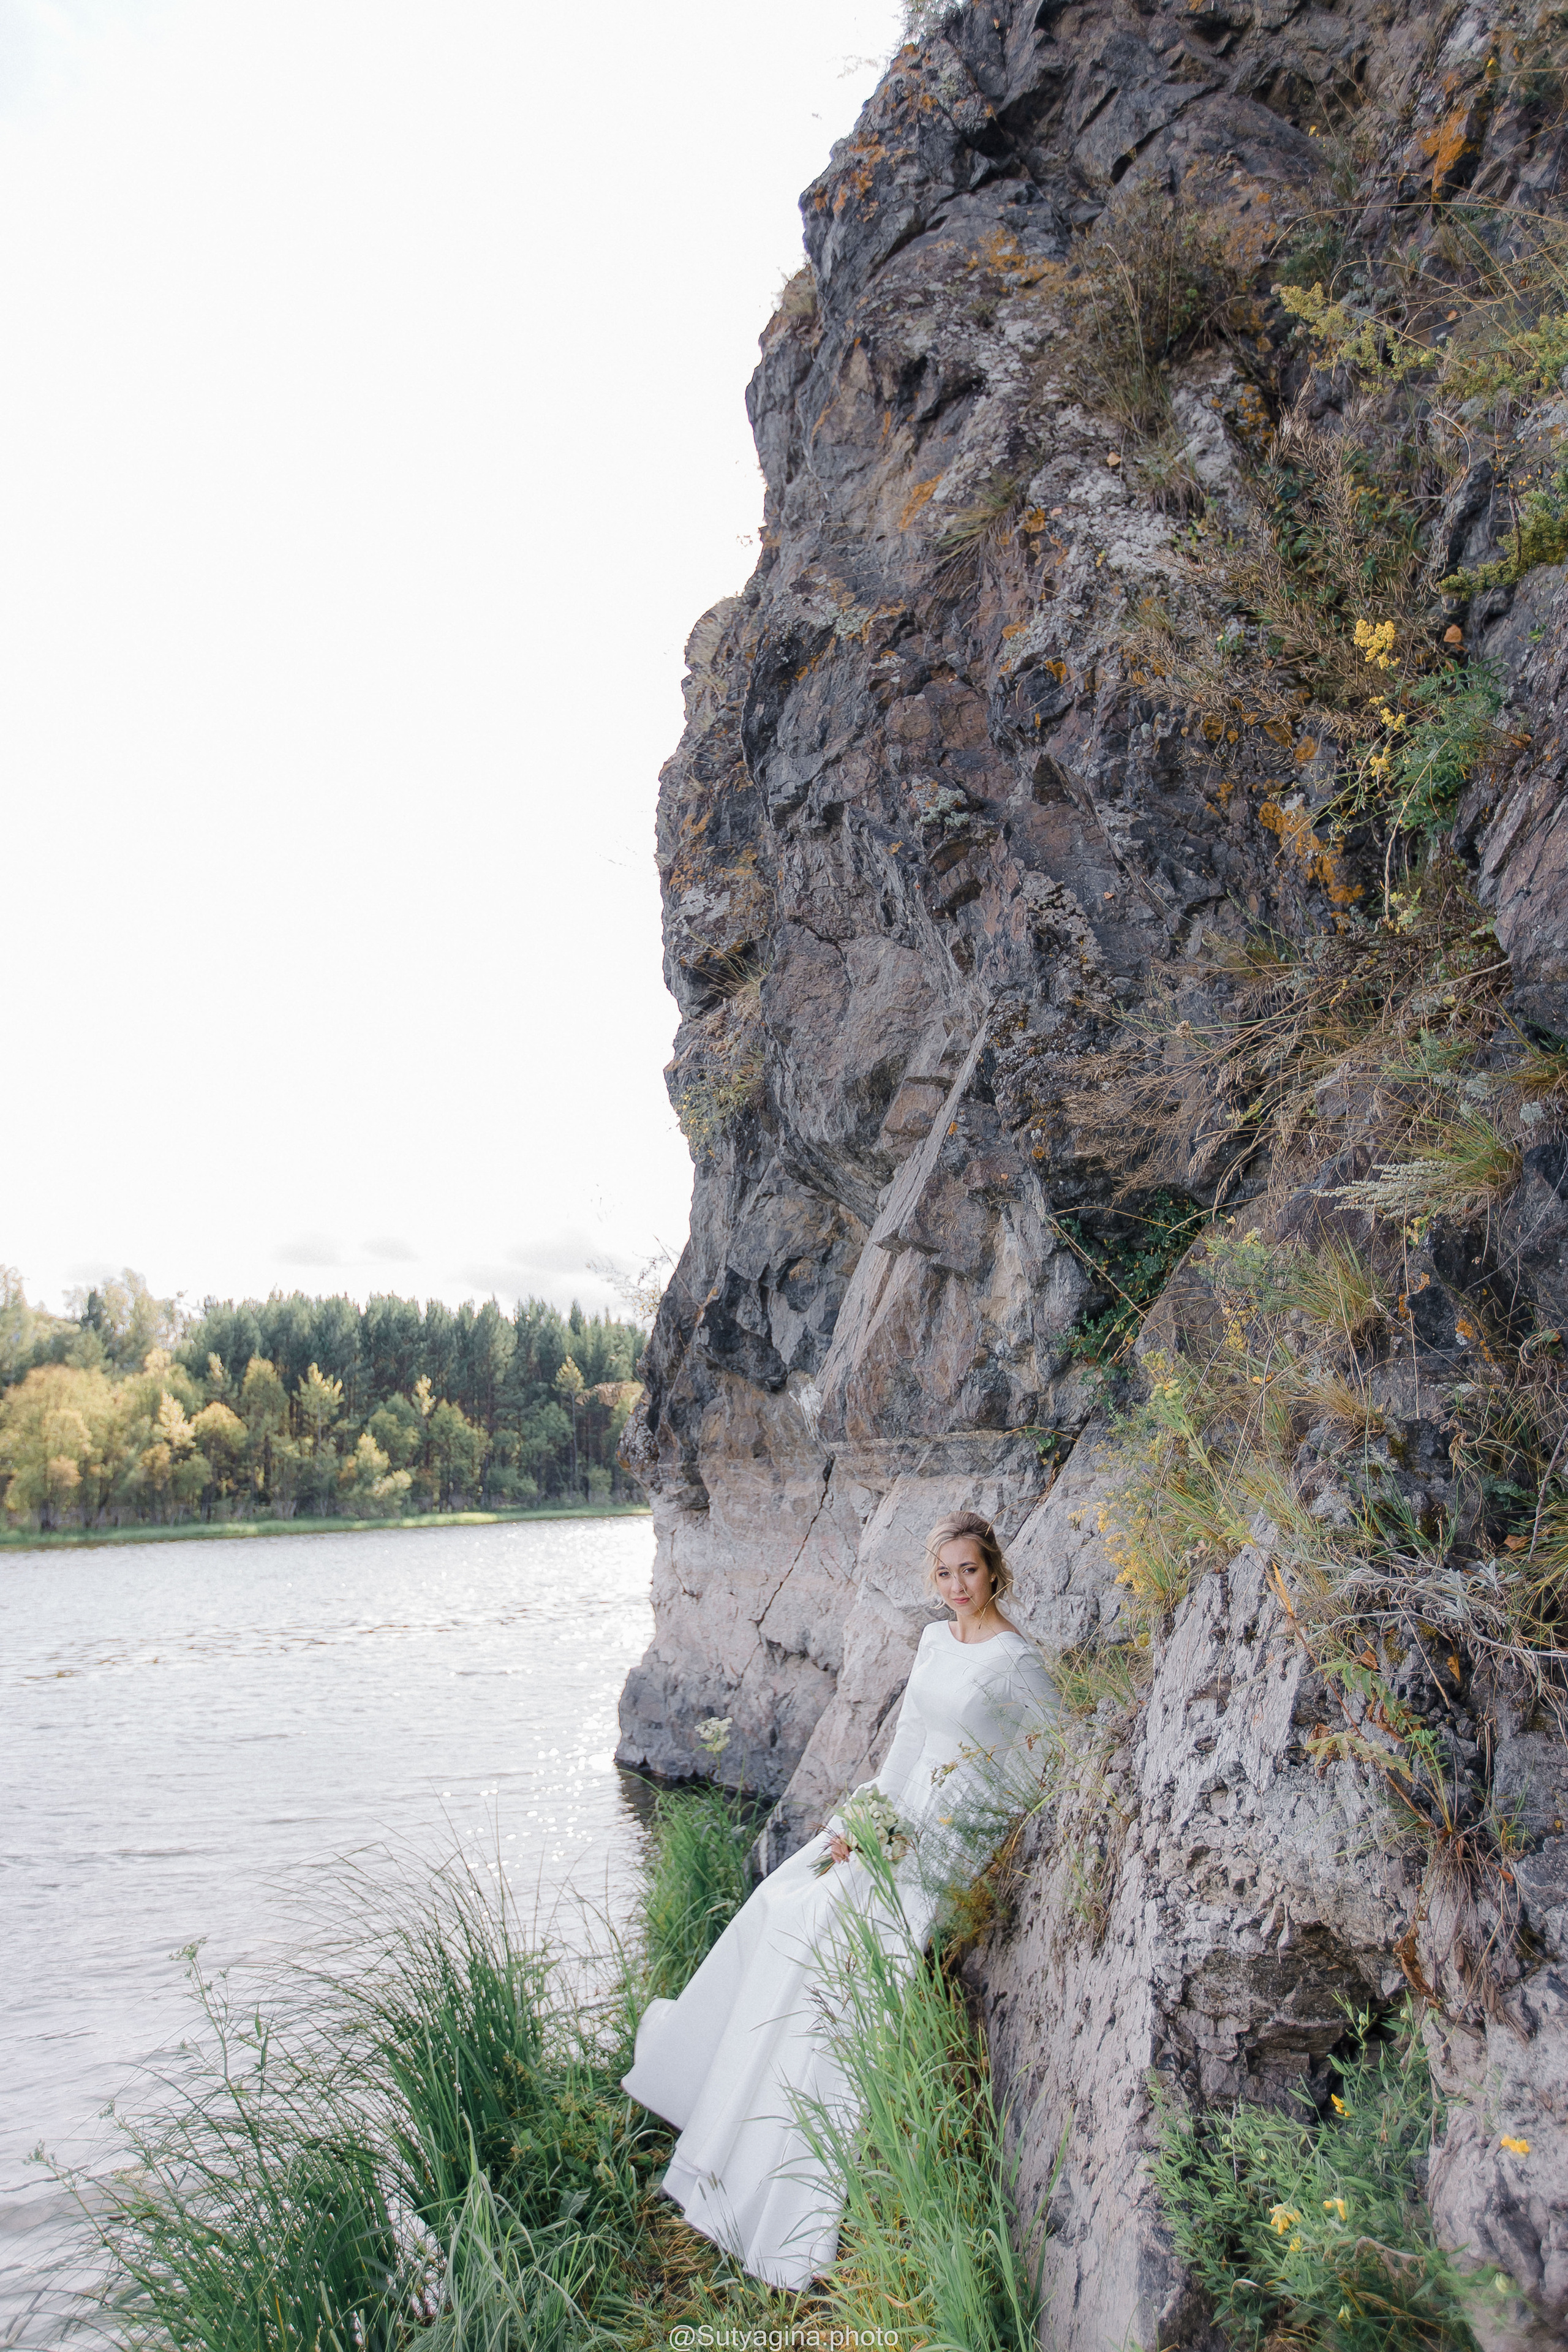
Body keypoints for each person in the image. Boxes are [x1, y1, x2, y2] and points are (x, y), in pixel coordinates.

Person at [620, 1510, 1057, 2290]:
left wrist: (967, 1840)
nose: (957, 1587)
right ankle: (723, 2108)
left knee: (838, 1953)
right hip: (892, 1826)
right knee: (785, 1909)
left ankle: (788, 2179)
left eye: (969, 1570)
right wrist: (861, 1821)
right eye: (945, 1573)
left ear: (994, 1570)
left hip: (947, 1843)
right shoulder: (933, 1641)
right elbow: (908, 1751)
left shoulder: (1016, 1662)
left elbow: (1048, 1764)